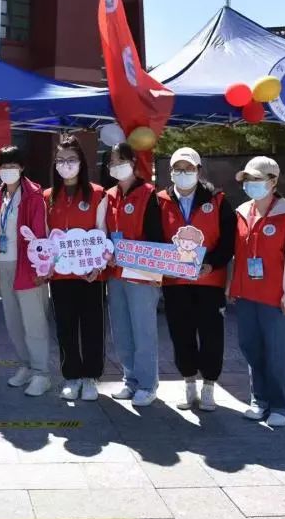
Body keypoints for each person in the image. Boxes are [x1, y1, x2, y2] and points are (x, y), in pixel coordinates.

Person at [156, 147, 236, 411]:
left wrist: (211, 263)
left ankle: (209, 386)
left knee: (211, 335)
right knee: (181, 333)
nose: (183, 173)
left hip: (209, 281)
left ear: (199, 171)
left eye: (189, 168)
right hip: (175, 282)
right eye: (178, 169)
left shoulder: (218, 200)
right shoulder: (160, 201)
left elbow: (228, 241)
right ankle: (189, 383)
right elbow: (154, 238)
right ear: (170, 172)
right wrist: (161, 266)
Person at [229, 157, 285, 428]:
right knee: (251, 347)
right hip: (247, 293)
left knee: (278, 352)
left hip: (275, 296)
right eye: (247, 180)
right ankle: (259, 399)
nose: (250, 184)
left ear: (273, 182)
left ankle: (282, 405)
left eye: (256, 179)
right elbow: (237, 254)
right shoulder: (241, 212)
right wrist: (232, 286)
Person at [45, 136, 108, 402]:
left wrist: (98, 265)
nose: (66, 165)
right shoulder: (48, 196)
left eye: (71, 159)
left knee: (92, 325)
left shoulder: (97, 193)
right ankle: (71, 376)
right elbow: (46, 237)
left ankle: (91, 377)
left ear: (82, 162)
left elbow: (102, 232)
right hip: (61, 275)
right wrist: (47, 264)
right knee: (65, 326)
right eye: (61, 160)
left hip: (90, 274)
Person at [104, 142, 165, 406]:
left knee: (143, 330)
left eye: (121, 161)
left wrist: (131, 254)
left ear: (132, 162)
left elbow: (156, 237)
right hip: (116, 274)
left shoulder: (150, 194)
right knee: (121, 329)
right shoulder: (109, 195)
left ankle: (147, 384)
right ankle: (130, 379)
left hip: (142, 274)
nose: (116, 166)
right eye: (112, 162)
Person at [0, 145, 51, 397]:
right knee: (13, 321)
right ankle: (25, 365)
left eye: (12, 166)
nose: (8, 171)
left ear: (22, 167)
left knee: (34, 321)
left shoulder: (34, 195)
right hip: (4, 264)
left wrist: (41, 268)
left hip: (27, 266)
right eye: (3, 166)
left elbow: (40, 233)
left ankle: (41, 373)